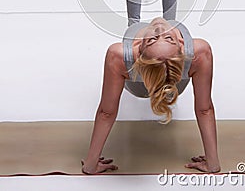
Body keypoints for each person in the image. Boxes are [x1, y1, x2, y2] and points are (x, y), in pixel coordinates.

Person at [81, 18, 221, 174]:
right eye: (157, 38)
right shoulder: (200, 51)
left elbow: (106, 113)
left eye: (166, 37)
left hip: (170, 84)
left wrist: (90, 165)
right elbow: (205, 110)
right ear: (180, 43)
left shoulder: (119, 54)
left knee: (152, 21)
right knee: (169, 19)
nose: (160, 30)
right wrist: (212, 164)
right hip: (151, 85)